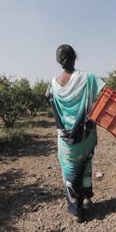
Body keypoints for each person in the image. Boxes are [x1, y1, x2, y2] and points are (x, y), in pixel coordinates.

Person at [46, 44, 105, 222]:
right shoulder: (88, 78)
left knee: (70, 171)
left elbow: (48, 99)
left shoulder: (52, 84)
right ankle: (86, 197)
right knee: (86, 164)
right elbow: (106, 95)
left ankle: (76, 208)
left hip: (65, 140)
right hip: (86, 134)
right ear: (75, 57)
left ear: (59, 61)